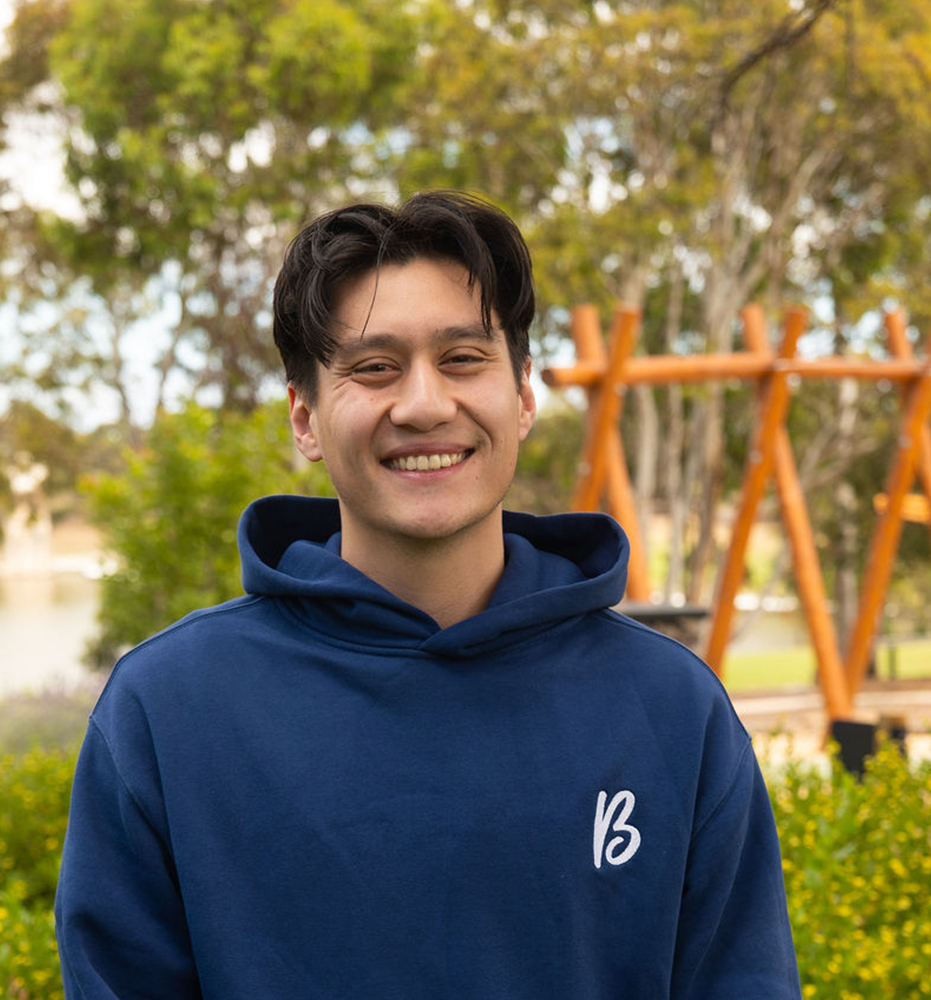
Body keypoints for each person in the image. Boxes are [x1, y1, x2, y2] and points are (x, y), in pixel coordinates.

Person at [55, 190, 801, 998]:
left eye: (463, 359)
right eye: (374, 368)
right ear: (304, 417)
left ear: (523, 395)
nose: (423, 405)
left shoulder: (672, 709)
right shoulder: (170, 709)